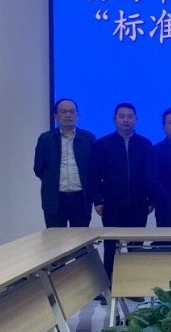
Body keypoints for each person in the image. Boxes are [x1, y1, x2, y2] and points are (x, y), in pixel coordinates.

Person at [90, 102, 153, 278]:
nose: (126, 120)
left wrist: (151, 199)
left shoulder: (145, 144)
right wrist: (97, 200)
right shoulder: (102, 144)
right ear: (114, 119)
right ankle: (109, 284)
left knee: (136, 246)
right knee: (111, 246)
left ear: (136, 119)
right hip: (112, 204)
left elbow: (150, 175)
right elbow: (94, 174)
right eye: (122, 116)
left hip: (139, 204)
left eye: (130, 116)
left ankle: (135, 284)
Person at [33, 98, 96, 227]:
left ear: (77, 114)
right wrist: (51, 180)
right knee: (55, 238)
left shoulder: (88, 138)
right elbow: (39, 168)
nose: (68, 115)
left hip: (80, 198)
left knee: (81, 238)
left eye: (72, 111)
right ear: (56, 116)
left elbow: (94, 168)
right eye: (63, 112)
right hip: (55, 199)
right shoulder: (45, 139)